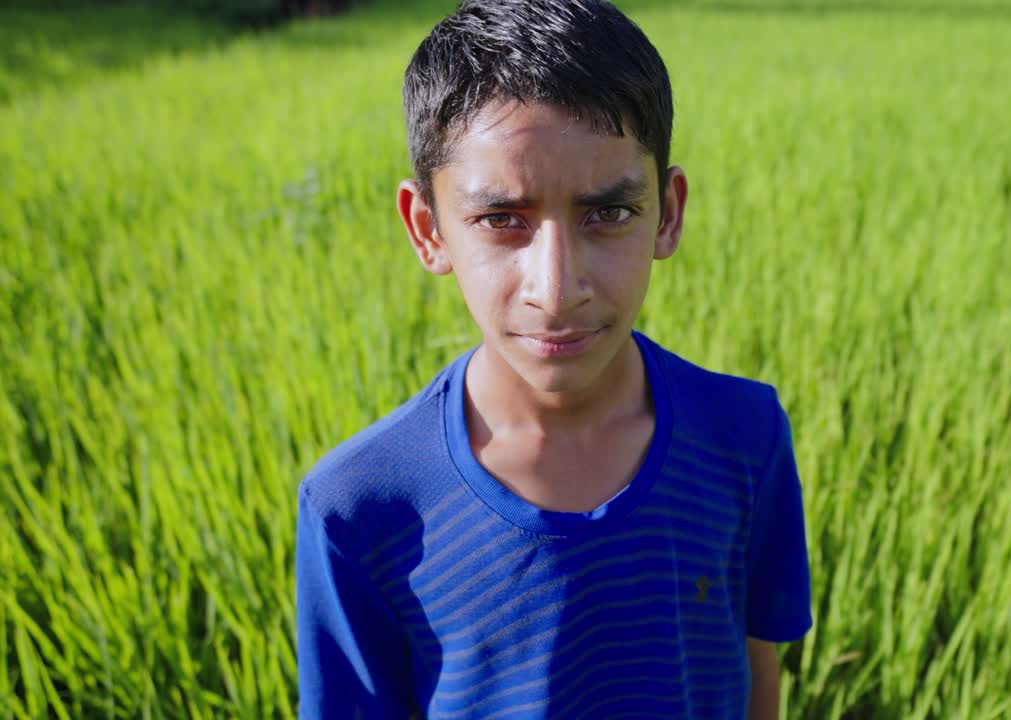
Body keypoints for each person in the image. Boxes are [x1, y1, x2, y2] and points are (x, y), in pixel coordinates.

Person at [294, 0, 812, 717]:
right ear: (429, 230)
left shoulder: (744, 436)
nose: (557, 288)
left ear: (667, 213)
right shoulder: (358, 508)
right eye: (502, 220)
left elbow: (758, 673)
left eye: (608, 212)